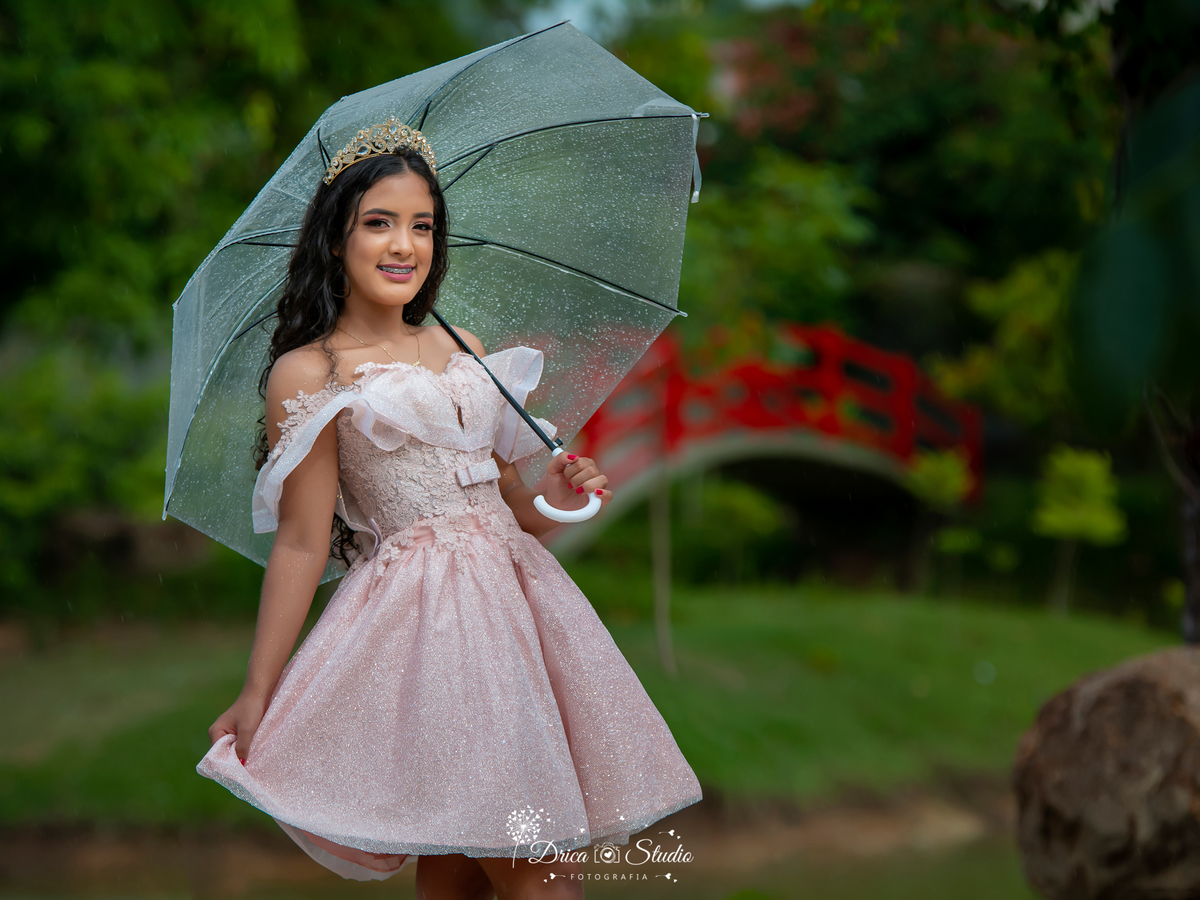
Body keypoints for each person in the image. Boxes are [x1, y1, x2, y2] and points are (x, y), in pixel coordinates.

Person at [196, 120, 702, 900]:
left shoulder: (463, 346)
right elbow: (301, 543)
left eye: (422, 226)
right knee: (540, 875)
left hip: (519, 610)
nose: (405, 245)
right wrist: (260, 688)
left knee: (458, 877)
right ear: (336, 239)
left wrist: (553, 499)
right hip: (428, 627)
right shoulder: (311, 371)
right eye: (379, 223)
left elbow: (501, 500)